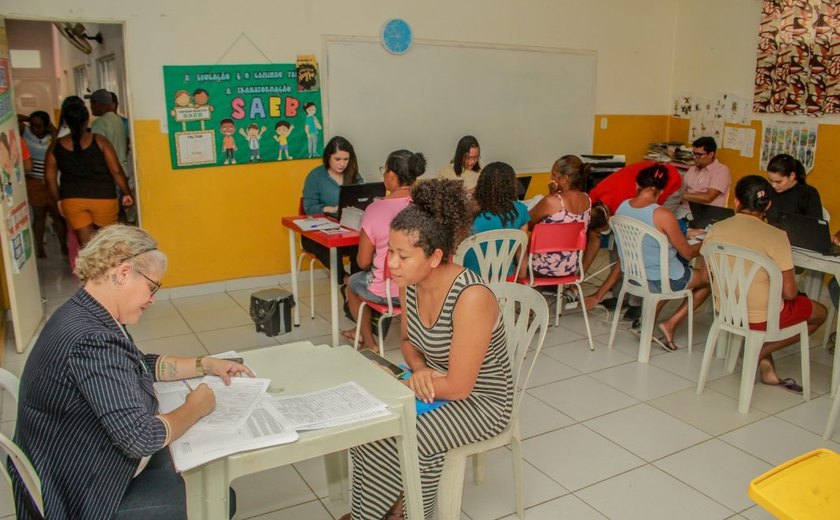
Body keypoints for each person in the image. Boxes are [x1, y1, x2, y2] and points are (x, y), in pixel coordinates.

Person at [9, 224, 252, 519]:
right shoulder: (93, 340)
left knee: (190, 463)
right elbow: (141, 437)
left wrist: (205, 364)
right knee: (219, 499)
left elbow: (139, 364)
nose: (152, 299)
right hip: (80, 495)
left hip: (72, 467)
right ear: (123, 273)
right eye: (152, 287)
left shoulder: (84, 312)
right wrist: (195, 407)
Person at [341, 179, 512, 520]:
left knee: (394, 438)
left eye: (403, 255)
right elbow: (407, 343)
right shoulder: (411, 284)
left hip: (481, 402)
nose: (391, 264)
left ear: (435, 257)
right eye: (390, 251)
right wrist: (418, 370)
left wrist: (404, 383)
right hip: (433, 385)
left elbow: (461, 386)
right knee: (366, 431)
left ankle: (397, 513)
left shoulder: (471, 297)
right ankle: (382, 512)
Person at [704, 176, 827, 391]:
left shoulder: (716, 229)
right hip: (761, 318)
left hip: (726, 310)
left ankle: (763, 360)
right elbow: (789, 293)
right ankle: (759, 352)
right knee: (821, 312)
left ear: (736, 202)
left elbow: (707, 277)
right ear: (768, 205)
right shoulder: (777, 236)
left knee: (767, 298)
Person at [585, 163, 711, 351]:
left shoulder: (621, 208)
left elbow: (622, 258)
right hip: (661, 279)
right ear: (661, 191)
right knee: (710, 279)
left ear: (637, 185)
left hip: (634, 278)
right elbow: (687, 252)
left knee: (672, 275)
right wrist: (706, 242)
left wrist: (599, 294)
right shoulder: (663, 215)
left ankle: (647, 323)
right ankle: (670, 324)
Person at [341, 149, 425, 349]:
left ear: (391, 176)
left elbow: (363, 262)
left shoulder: (375, 209)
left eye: (384, 170)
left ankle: (370, 343)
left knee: (351, 283)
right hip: (421, 288)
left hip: (389, 291)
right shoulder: (424, 206)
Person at [585, 160, 683, 318]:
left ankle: (638, 301)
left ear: (611, 219)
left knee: (642, 244)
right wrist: (579, 276)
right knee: (618, 245)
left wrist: (599, 294)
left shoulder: (623, 206)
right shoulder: (594, 199)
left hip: (670, 183)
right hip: (645, 185)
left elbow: (627, 255)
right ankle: (620, 296)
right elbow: (594, 237)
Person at [45, 96, 134, 247]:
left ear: (66, 121)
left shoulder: (56, 146)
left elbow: (49, 178)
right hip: (103, 197)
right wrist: (126, 192)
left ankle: (91, 270)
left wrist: (58, 200)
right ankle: (110, 270)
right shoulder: (99, 141)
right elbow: (116, 170)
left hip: (72, 199)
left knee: (87, 247)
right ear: (86, 120)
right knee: (109, 243)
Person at [301, 135, 362, 284]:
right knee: (331, 247)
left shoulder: (354, 175)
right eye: (337, 159)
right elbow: (309, 207)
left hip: (348, 229)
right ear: (328, 157)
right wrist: (330, 208)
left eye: (346, 159)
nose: (342, 164)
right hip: (318, 233)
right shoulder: (316, 176)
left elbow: (362, 198)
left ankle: (355, 284)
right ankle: (345, 280)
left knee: (363, 244)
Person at [525, 155, 591, 279]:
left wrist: (550, 196)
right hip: (571, 268)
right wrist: (553, 195)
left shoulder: (551, 201)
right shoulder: (587, 200)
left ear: (565, 179)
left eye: (554, 175)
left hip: (541, 269)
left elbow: (527, 223)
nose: (551, 178)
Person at [462, 161, 530, 277]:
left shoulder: (467, 210)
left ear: (481, 184)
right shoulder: (520, 211)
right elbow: (521, 255)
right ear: (512, 185)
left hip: (468, 279)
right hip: (504, 280)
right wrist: (522, 276)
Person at [22, 110, 68, 257]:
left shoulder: (51, 137)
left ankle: (63, 245)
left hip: (51, 181)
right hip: (34, 181)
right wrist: (28, 118)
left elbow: (57, 146)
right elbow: (15, 118)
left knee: (57, 216)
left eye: (39, 125)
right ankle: (40, 248)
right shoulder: (26, 133)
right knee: (39, 215)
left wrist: (52, 129)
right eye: (33, 125)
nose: (35, 128)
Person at [764, 153, 823, 223]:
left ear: (792, 176)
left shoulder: (808, 193)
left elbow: (815, 225)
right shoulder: (769, 190)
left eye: (778, 182)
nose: (773, 185)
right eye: (771, 181)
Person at [680, 136, 731, 210]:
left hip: (707, 215)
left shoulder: (721, 170)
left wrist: (680, 195)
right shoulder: (692, 169)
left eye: (699, 155)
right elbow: (681, 189)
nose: (695, 157)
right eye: (694, 154)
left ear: (711, 154)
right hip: (684, 211)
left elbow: (708, 197)